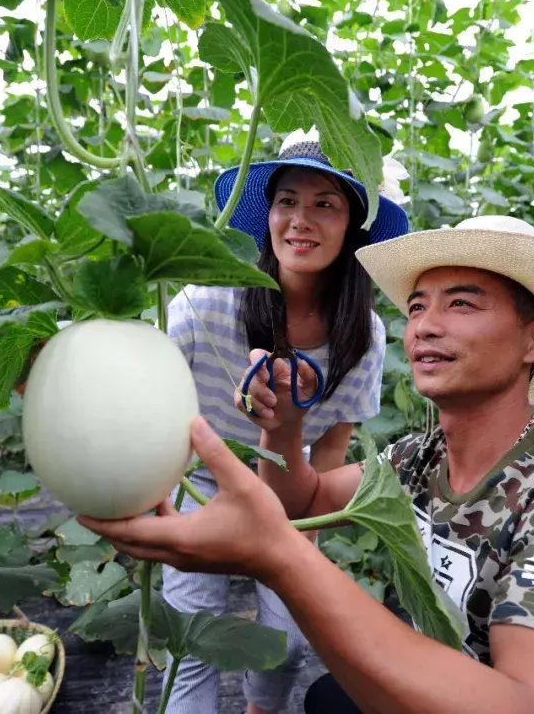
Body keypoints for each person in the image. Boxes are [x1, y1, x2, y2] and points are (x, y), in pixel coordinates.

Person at [80, 215, 534, 714]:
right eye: (416, 306)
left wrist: (279, 558)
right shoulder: (419, 457)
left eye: (461, 303)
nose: (425, 326)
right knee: (328, 697)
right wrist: (285, 426)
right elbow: (300, 503)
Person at [159, 130, 411, 714]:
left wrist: (299, 541)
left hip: (291, 496)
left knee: (287, 643)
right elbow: (159, 410)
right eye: (287, 201)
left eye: (325, 204)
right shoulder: (205, 301)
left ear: (354, 226)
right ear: (268, 215)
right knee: (189, 641)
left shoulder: (362, 333)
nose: (300, 220)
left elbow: (330, 451)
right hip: (199, 480)